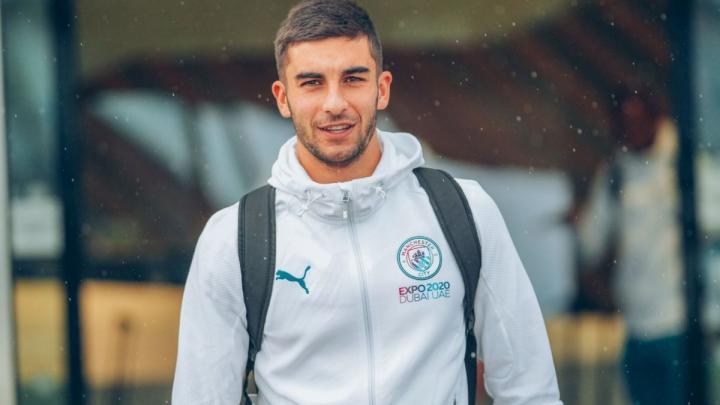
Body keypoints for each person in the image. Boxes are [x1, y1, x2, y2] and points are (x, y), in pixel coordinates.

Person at [172, 1, 561, 403]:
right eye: (312, 82)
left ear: (382, 88)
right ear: (283, 97)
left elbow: (531, 391)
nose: (334, 103)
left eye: (353, 79)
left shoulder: (462, 210)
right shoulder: (235, 240)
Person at [576, 88, 685, 405]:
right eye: (624, 122)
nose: (631, 129)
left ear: (656, 119)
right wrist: (579, 221)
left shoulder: (685, 161)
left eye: (638, 120)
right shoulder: (616, 173)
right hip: (636, 325)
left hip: (683, 324)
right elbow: (590, 244)